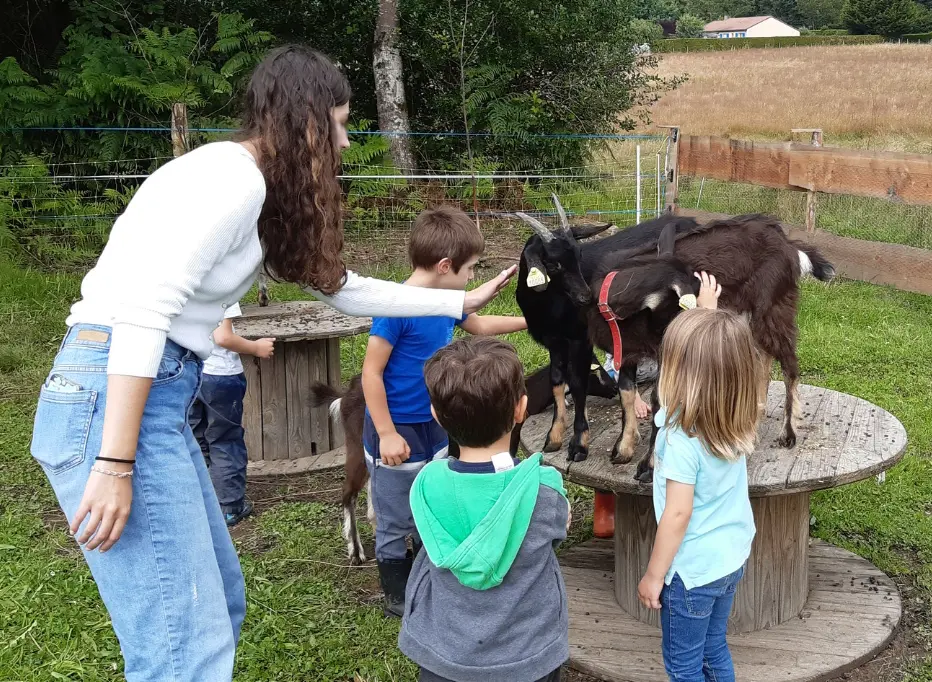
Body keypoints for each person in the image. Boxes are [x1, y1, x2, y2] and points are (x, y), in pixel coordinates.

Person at [27, 45, 515, 682]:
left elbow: (345, 288)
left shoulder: (259, 194)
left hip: (148, 396)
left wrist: (457, 301)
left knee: (217, 608)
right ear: (308, 123)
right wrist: (115, 462)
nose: (343, 143)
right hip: (116, 394)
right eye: (338, 124)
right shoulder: (233, 182)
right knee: (183, 647)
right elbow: (142, 313)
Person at [362, 205, 527, 617]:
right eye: (470, 269)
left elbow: (481, 326)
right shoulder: (394, 308)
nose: (472, 277)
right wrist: (385, 433)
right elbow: (371, 372)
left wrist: (533, 322)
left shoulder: (445, 300)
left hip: (435, 421)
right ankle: (396, 591)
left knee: (430, 495)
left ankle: (426, 566)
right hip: (397, 427)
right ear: (445, 265)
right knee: (395, 511)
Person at [399, 336, 570, 682]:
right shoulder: (544, 488)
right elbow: (556, 533)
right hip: (528, 657)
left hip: (444, 654)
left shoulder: (426, 485)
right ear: (521, 409)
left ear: (436, 415)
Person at [637, 273, 764, 682]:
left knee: (684, 665)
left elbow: (677, 515)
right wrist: (707, 313)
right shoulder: (734, 416)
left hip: (690, 575)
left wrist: (654, 576)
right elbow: (717, 362)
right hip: (729, 558)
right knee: (714, 648)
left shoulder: (679, 439)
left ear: (680, 376)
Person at [189, 304, 274, 527]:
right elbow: (223, 337)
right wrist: (255, 347)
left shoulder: (181, 284)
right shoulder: (222, 288)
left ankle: (202, 500)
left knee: (196, 439)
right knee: (225, 440)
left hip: (189, 373)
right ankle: (230, 507)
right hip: (220, 375)